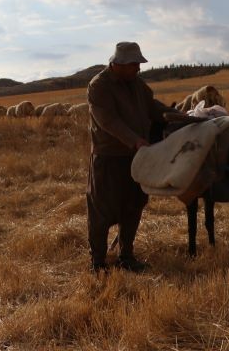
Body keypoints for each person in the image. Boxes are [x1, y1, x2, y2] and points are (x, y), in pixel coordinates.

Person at [86, 41, 201, 273]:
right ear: (120, 64)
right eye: (135, 64)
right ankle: (98, 262)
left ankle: (125, 257)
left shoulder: (136, 84)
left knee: (133, 205)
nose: (139, 68)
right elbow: (108, 121)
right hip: (109, 158)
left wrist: (179, 116)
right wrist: (135, 140)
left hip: (138, 157)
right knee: (102, 209)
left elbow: (152, 106)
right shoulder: (99, 86)